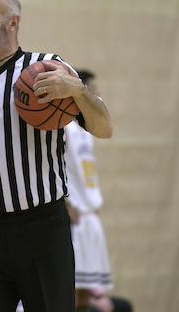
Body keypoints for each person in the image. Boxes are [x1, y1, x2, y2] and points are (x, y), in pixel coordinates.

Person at [0, 0, 113, 312]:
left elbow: (104, 128)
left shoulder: (48, 68)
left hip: (43, 228)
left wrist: (77, 90)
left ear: (12, 23)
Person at [65, 70, 133, 312]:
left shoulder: (87, 130)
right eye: (93, 89)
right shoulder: (64, 127)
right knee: (70, 290)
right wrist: (66, 202)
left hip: (90, 214)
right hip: (74, 216)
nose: (99, 94)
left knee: (85, 290)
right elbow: (52, 167)